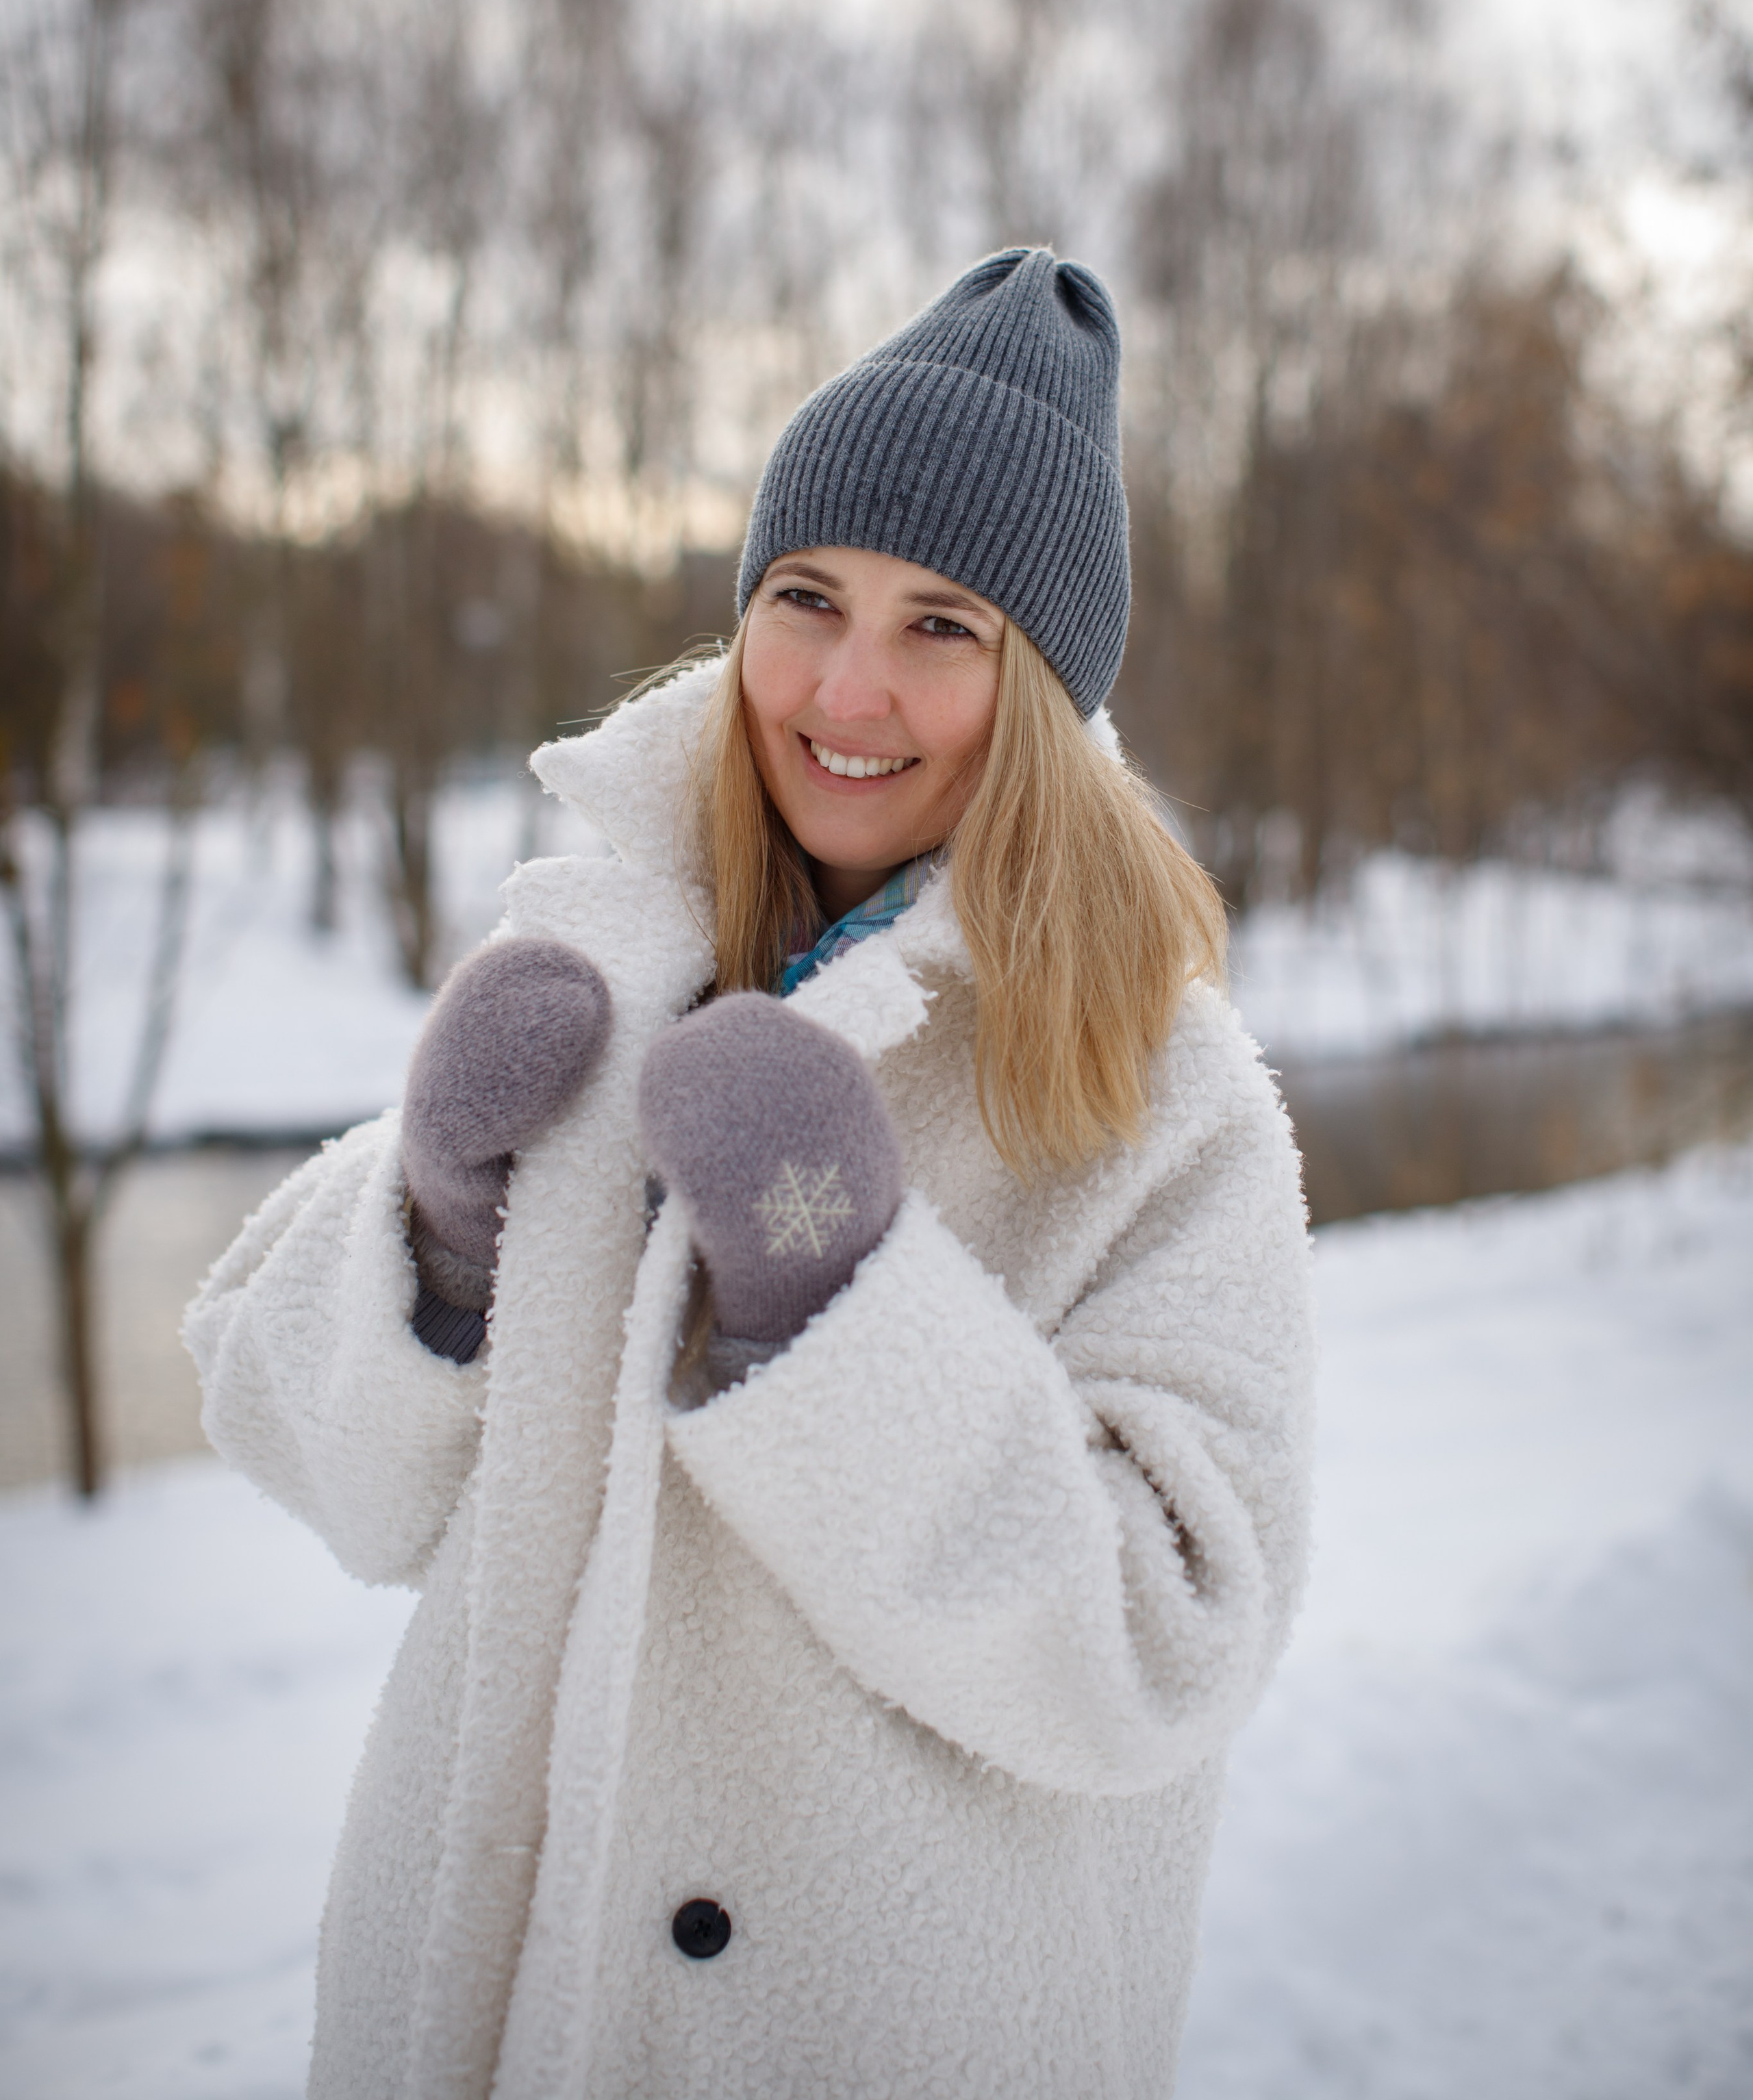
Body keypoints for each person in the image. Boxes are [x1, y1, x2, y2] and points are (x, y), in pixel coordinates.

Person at [186, 246, 1313, 2100]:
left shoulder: (1156, 1085)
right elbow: (308, 1453)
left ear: (1041, 684)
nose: (846, 685)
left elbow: (1163, 1643)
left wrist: (834, 1294)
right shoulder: (618, 947)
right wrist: (437, 1233)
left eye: (943, 625)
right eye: (807, 597)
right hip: (479, 2014)